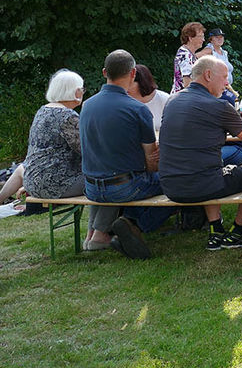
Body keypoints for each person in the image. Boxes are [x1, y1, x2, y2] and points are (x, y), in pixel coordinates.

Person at [158, 55, 242, 250]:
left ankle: (216, 229)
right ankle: (238, 231)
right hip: (202, 185)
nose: (227, 83)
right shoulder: (219, 106)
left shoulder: (172, 100)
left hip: (170, 186)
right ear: (207, 75)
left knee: (212, 166)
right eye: (224, 77)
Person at [80, 50, 168, 259]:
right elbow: (151, 159)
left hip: (91, 188)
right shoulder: (138, 109)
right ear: (133, 73)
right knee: (178, 182)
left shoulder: (86, 106)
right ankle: (134, 225)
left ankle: (95, 234)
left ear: (104, 73)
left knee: (109, 174)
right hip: (124, 187)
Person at [0, 70, 85, 218]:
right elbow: (86, 151)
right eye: (82, 89)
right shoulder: (68, 117)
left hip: (32, 182)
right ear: (76, 92)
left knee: (22, 167)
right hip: (57, 185)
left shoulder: (43, 111)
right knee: (105, 180)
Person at [127, 64, 170, 132]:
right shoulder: (124, 101)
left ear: (142, 82)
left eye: (129, 83)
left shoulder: (165, 100)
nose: (125, 87)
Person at [171, 21, 205, 93]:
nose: (203, 40)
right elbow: (187, 83)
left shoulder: (189, 54)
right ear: (190, 38)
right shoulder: (185, 55)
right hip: (183, 99)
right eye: (200, 36)